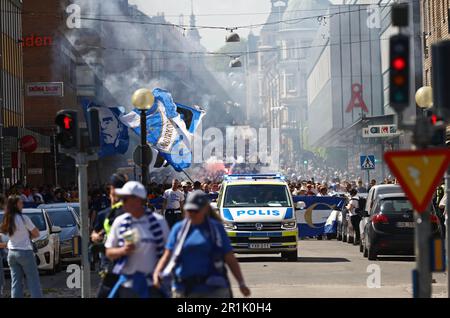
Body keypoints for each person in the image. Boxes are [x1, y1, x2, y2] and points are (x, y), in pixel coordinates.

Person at [153, 191, 251, 298]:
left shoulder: (216, 229)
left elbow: (229, 257)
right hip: (184, 289)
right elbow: (167, 255)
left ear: (205, 209)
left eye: (196, 210)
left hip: (214, 289)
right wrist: (157, 272)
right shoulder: (179, 229)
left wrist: (241, 283)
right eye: (189, 210)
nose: (192, 213)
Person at [105, 181, 169, 298]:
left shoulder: (159, 222)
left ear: (137, 200)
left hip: (153, 285)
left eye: (125, 199)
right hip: (127, 285)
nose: (121, 202)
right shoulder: (119, 222)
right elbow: (109, 252)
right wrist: (123, 250)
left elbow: (168, 252)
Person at [91, 173, 128, 297]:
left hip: (123, 260)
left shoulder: (131, 212)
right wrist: (96, 236)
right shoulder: (104, 214)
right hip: (110, 260)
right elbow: (95, 232)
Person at [0, 196, 42, 298]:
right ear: (15, 205)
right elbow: (36, 234)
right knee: (33, 281)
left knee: (16, 283)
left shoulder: (7, 219)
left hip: (11, 253)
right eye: (20, 203)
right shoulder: (24, 218)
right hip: (25, 252)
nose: (22, 205)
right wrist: (28, 235)